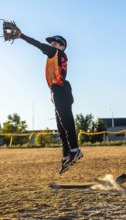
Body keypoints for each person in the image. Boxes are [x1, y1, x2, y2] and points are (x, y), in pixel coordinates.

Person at [11, 27, 83, 174]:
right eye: (52, 44)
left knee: (66, 120)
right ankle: (66, 155)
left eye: (56, 44)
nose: (52, 46)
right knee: (61, 126)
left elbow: (39, 45)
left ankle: (75, 150)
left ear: (62, 47)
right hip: (56, 91)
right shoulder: (54, 55)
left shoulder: (56, 53)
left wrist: (21, 36)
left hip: (61, 89)